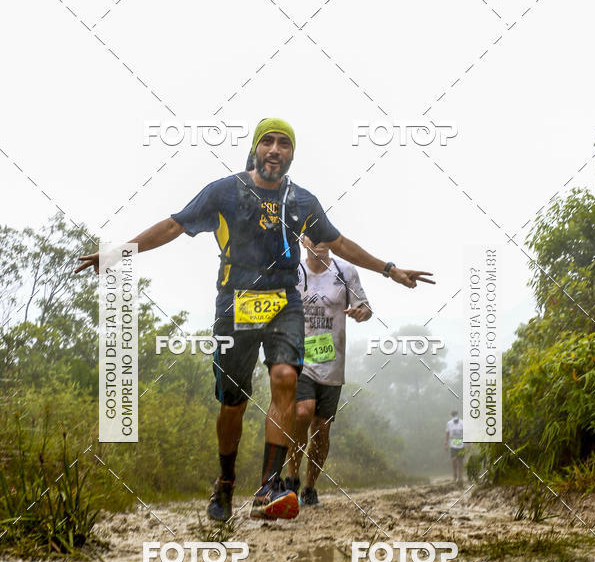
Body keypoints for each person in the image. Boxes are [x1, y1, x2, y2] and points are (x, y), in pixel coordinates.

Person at [77, 118, 434, 522]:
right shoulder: (224, 191)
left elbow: (339, 243)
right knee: (233, 404)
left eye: (284, 144)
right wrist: (119, 253)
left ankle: (268, 487)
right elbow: (174, 224)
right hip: (235, 303)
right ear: (256, 149)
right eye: (268, 142)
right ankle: (226, 481)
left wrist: (389, 269)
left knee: (284, 377)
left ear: (292, 154)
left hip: (284, 301)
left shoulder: (302, 201)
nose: (275, 150)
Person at [286, 234, 371, 506]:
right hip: (299, 357)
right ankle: (291, 478)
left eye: (325, 235)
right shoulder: (293, 271)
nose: (320, 242)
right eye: (314, 236)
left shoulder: (346, 272)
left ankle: (309, 488)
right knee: (302, 412)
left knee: (321, 429)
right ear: (303, 240)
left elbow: (365, 307)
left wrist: (362, 313)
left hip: (332, 361)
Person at [445, 410, 465, 484]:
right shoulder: (449, 423)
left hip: (461, 443)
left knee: (460, 460)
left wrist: (468, 443)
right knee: (454, 459)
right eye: (453, 415)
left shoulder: (462, 423)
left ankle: (460, 476)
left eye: (455, 415)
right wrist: (446, 443)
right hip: (453, 443)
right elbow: (447, 433)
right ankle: (455, 475)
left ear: (457, 415)